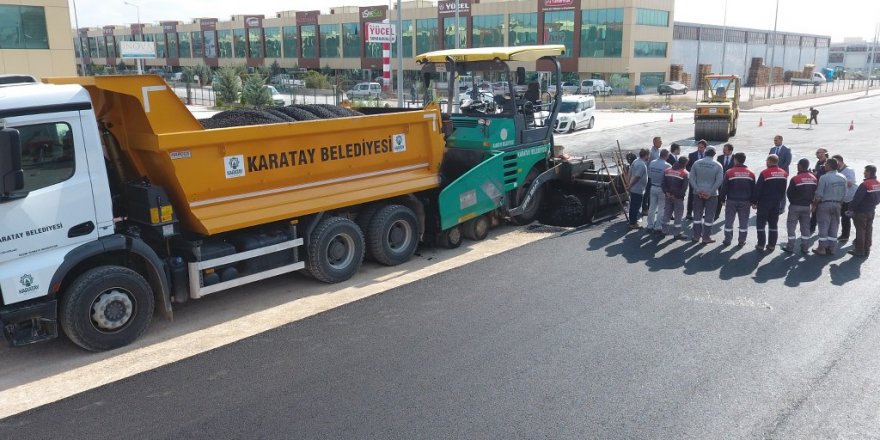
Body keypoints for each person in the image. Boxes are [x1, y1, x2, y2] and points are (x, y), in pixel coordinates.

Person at [751, 154, 788, 251]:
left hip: (764, 202)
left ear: (769, 162)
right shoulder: (784, 173)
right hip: (776, 203)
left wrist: (754, 201)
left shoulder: (765, 173)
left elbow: (758, 188)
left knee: (761, 224)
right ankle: (771, 245)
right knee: (773, 224)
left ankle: (761, 244)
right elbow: (783, 190)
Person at [812, 158, 848, 256]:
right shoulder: (843, 177)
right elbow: (845, 193)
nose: (825, 166)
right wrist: (839, 203)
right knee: (834, 226)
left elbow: (819, 194)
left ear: (829, 166)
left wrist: (814, 205)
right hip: (837, 205)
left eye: (826, 164)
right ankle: (831, 248)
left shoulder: (824, 177)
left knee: (823, 226)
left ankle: (822, 248)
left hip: (825, 204)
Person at [781, 159, 818, 254]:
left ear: (800, 166)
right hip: (807, 207)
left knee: (791, 226)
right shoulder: (814, 178)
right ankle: (805, 247)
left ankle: (790, 247)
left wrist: (793, 201)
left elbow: (789, 193)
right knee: (805, 228)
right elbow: (815, 192)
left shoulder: (795, 179)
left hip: (795, 206)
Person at [689, 147, 724, 243]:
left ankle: (696, 236)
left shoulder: (697, 163)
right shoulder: (718, 165)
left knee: (697, 215)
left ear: (705, 153)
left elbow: (691, 178)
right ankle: (706, 237)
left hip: (697, 193)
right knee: (709, 216)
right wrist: (710, 192)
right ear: (714, 154)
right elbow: (719, 180)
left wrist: (698, 190)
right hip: (712, 195)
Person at [719, 152, 755, 246]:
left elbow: (724, 187)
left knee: (729, 221)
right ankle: (741, 241)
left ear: (735, 160)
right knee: (743, 222)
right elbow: (754, 189)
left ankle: (727, 240)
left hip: (731, 200)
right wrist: (753, 201)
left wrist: (722, 199)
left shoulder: (729, 172)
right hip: (745, 201)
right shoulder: (751, 173)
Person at [847, 165, 880, 257]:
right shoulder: (877, 183)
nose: (864, 173)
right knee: (869, 230)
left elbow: (857, 199)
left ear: (869, 172)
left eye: (865, 171)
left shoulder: (865, 184)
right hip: (871, 210)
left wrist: (851, 209)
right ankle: (867, 249)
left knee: (860, 230)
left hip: (861, 212)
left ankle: (859, 250)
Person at [661, 156, 690, 240]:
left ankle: (664, 231)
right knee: (678, 215)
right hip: (678, 198)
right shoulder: (685, 173)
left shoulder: (667, 170)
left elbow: (663, 184)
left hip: (668, 196)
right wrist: (676, 195)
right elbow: (684, 188)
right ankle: (677, 233)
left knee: (667, 213)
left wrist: (667, 192)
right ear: (685, 163)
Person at [646, 149, 671, 233]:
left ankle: (650, 225)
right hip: (661, 188)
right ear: (666, 156)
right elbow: (668, 179)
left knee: (652, 207)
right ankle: (658, 226)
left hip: (653, 186)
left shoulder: (652, 163)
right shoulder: (667, 165)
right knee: (661, 208)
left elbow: (649, 175)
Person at [834, 154, 857, 244]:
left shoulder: (849, 170)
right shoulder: (837, 170)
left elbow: (850, 183)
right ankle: (845, 235)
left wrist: (836, 182)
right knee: (844, 217)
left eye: (835, 162)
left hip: (852, 198)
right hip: (844, 198)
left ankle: (859, 237)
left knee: (855, 219)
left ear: (839, 161)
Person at [626, 148, 650, 230]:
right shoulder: (641, 165)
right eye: (648, 155)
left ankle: (632, 221)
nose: (649, 157)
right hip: (637, 189)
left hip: (634, 188)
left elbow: (629, 172)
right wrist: (629, 185)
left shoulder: (636, 161)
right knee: (636, 206)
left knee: (633, 205)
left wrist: (628, 182)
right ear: (646, 155)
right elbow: (637, 177)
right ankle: (633, 223)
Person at [685, 140, 708, 220]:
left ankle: (702, 212)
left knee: (703, 195)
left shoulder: (708, 156)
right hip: (694, 179)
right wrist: (694, 170)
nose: (700, 149)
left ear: (705, 148)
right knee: (691, 196)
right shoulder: (692, 155)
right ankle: (689, 212)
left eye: (701, 147)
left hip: (704, 180)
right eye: (698, 147)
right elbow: (687, 167)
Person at [810, 148, 829, 233]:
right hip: (817, 188)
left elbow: (827, 175)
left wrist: (817, 174)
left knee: (821, 210)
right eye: (816, 152)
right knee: (815, 209)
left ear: (824, 153)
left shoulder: (828, 163)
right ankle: (812, 226)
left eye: (818, 152)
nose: (816, 154)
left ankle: (823, 229)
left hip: (825, 190)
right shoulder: (818, 163)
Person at [642, 137, 663, 214]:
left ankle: (651, 208)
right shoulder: (651, 152)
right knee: (647, 192)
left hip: (654, 175)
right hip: (649, 175)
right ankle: (644, 208)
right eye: (660, 141)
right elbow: (646, 163)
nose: (661, 143)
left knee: (651, 192)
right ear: (655, 143)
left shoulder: (658, 151)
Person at [715, 143, 735, 220]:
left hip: (731, 183)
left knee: (730, 201)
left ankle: (730, 216)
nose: (723, 151)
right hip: (721, 182)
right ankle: (716, 214)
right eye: (723, 149)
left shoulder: (735, 158)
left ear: (730, 151)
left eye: (725, 150)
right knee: (719, 198)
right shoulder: (719, 157)